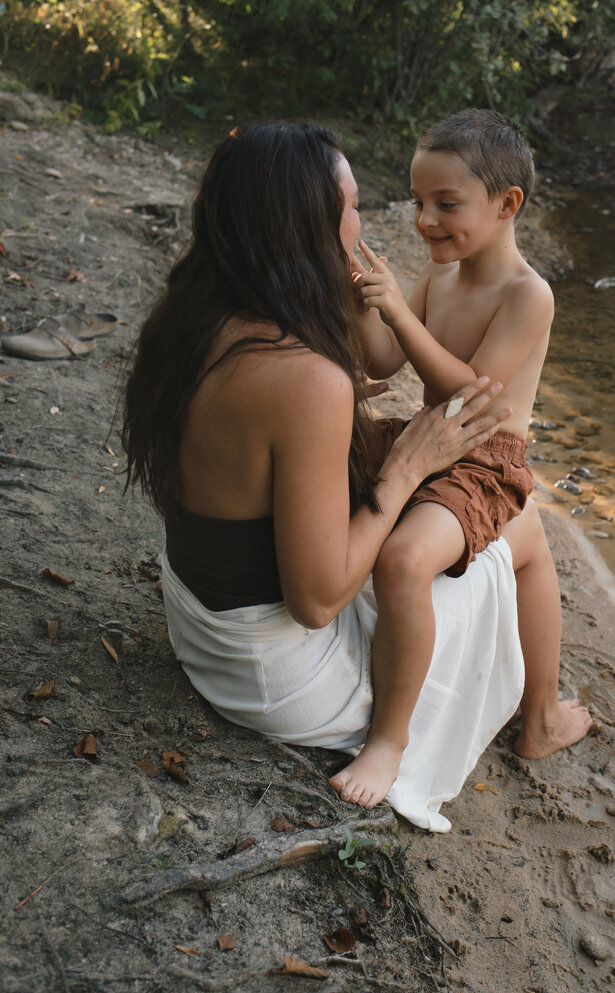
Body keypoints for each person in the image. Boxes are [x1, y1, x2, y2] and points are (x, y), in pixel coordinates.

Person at [122, 120, 543, 833]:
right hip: (281, 681)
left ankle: (546, 707)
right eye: (351, 207)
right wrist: (406, 466)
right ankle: (485, 723)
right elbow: (317, 602)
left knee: (475, 516)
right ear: (306, 226)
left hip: (204, 630)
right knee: (520, 528)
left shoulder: (199, 321)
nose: (365, 225)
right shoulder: (306, 378)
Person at [331, 109, 592, 810]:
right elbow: (383, 359)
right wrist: (362, 297)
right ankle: (541, 714)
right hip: (430, 437)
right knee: (324, 451)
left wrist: (400, 313)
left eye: (446, 204)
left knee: (403, 560)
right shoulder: (438, 274)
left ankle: (389, 741)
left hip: (484, 460)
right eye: (418, 201)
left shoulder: (527, 295)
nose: (424, 220)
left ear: (507, 205)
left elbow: (471, 396)